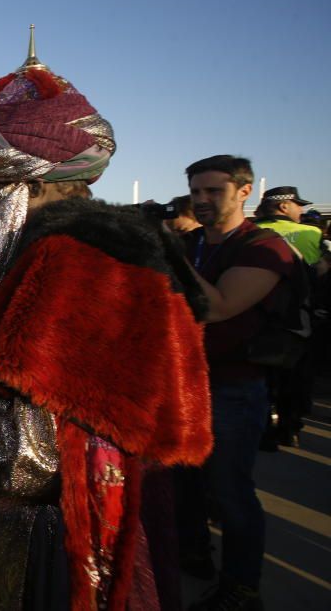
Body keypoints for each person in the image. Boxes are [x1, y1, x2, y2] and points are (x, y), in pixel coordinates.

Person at [0, 28, 212, 609]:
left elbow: (27, 458)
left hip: (51, 533)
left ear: (27, 185)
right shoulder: (70, 251)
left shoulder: (70, 269)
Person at [181, 156, 297, 610]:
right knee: (183, 485)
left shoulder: (265, 248)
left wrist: (167, 256)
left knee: (230, 491)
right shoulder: (192, 243)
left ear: (244, 192)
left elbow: (220, 306)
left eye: (214, 192)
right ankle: (192, 554)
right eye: (196, 193)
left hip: (234, 387)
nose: (203, 201)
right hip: (183, 382)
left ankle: (242, 587)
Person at [254, 186, 325, 271]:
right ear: (284, 207)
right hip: (303, 283)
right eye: (299, 205)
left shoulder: (246, 231)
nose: (301, 210)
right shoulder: (314, 232)